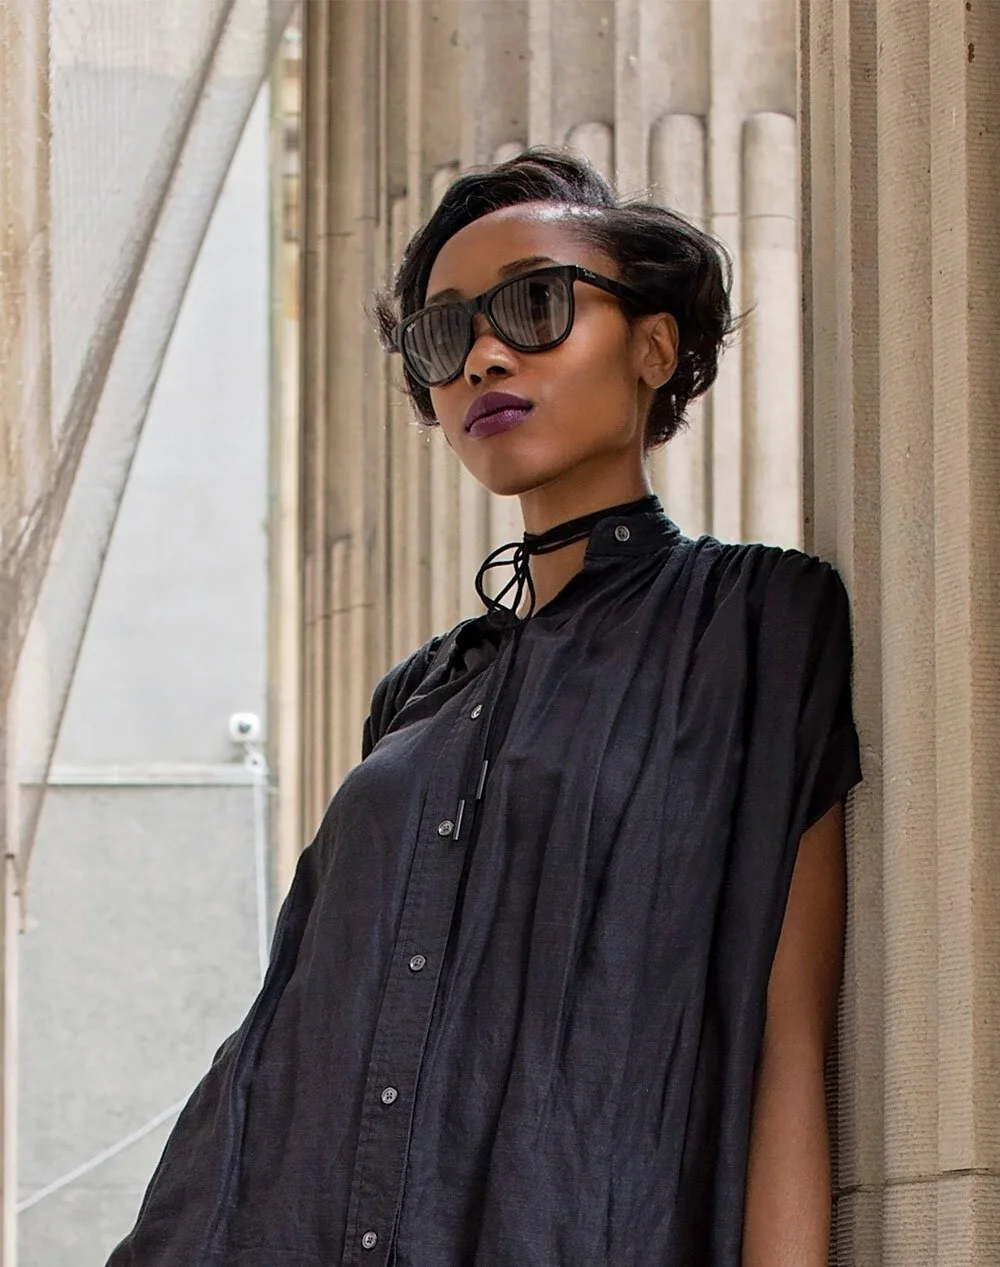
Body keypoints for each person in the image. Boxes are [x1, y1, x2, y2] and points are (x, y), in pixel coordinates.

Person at [107, 148, 862, 1267]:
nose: (482, 356)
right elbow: (298, 1037)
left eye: (534, 305)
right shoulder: (421, 690)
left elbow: (785, 1042)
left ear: (654, 346)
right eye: (442, 334)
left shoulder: (752, 620)